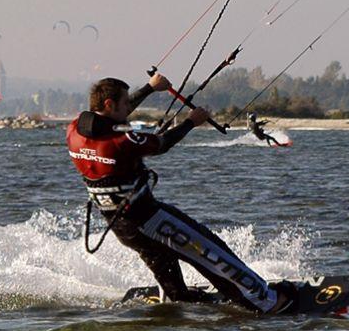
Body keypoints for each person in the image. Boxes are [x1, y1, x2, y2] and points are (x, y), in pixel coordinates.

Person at [66, 73, 294, 313]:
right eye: (124, 103)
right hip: (149, 219)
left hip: (120, 225)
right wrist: (191, 122)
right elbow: (161, 144)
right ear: (109, 105)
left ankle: (178, 301)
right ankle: (266, 301)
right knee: (210, 252)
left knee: (163, 260)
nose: (128, 108)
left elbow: (111, 117)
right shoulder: (121, 141)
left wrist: (150, 88)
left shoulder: (74, 131)